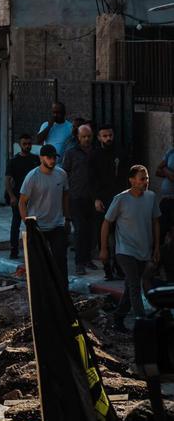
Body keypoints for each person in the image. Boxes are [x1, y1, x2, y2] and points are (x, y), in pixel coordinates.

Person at [100, 165, 161, 331]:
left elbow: (155, 221)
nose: (145, 182)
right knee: (134, 284)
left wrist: (156, 247)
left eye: (147, 178)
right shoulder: (120, 199)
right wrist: (104, 249)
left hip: (144, 251)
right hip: (125, 251)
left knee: (130, 287)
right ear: (132, 180)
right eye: (142, 178)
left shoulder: (151, 197)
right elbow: (106, 222)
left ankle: (118, 318)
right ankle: (143, 323)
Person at [19, 144, 71, 288]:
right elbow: (22, 202)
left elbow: (66, 195)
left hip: (57, 224)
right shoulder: (32, 177)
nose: (52, 161)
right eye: (49, 158)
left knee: (60, 258)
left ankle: (63, 290)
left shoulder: (61, 174)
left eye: (54, 157)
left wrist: (67, 218)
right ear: (41, 158)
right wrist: (28, 224)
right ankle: (41, 292)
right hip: (38, 226)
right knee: (38, 261)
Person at [90, 124, 129, 280]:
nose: (108, 138)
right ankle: (107, 268)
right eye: (104, 136)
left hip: (120, 199)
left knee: (120, 236)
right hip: (103, 201)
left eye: (110, 135)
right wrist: (96, 199)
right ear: (99, 137)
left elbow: (126, 176)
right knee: (103, 236)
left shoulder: (121, 153)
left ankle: (119, 268)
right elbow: (91, 179)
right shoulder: (94, 155)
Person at [63, 124, 96, 275]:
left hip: (92, 197)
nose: (86, 139)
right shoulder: (71, 153)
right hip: (76, 197)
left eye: (88, 136)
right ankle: (79, 263)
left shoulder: (95, 152)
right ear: (78, 137)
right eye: (83, 136)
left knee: (90, 230)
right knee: (79, 230)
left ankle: (88, 259)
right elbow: (65, 174)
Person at [4, 133, 39, 259]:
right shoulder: (13, 161)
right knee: (16, 222)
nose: (27, 146)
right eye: (25, 144)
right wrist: (12, 196)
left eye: (29, 144)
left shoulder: (35, 159)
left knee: (32, 224)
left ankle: (33, 249)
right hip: (19, 197)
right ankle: (13, 250)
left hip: (33, 197)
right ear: (20, 145)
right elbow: (7, 180)